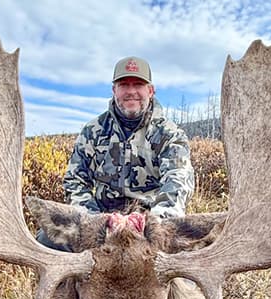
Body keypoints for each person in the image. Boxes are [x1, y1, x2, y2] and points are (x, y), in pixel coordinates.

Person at [63, 55, 194, 219]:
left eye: (138, 84)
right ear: (114, 91)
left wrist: (156, 222)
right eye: (124, 84)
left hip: (151, 220)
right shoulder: (93, 131)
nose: (131, 91)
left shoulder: (169, 134)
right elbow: (75, 180)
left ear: (150, 91)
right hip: (100, 219)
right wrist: (92, 220)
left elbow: (178, 179)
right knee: (45, 233)